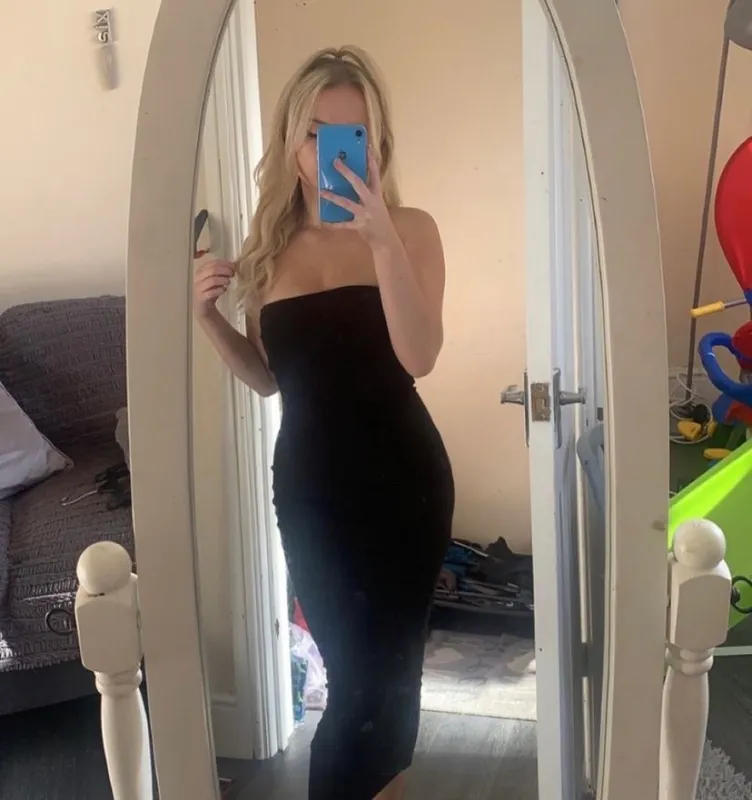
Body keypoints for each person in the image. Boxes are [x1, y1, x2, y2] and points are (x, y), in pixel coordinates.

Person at [193, 45, 454, 800]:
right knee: (357, 681)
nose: (334, 152)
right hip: (312, 491)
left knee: (391, 677)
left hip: (406, 484)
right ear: (291, 143)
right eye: (316, 133)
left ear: (377, 142)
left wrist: (381, 241)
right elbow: (273, 379)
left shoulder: (412, 230)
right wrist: (208, 321)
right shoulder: (268, 252)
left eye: (353, 134)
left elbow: (421, 354)